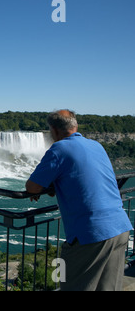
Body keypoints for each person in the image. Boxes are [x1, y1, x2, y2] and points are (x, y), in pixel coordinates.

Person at [25, 109, 133, 291]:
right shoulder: (96, 145)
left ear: (54, 130)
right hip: (120, 228)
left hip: (91, 233)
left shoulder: (59, 149)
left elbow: (32, 187)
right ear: (75, 126)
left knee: (74, 286)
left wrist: (47, 186)